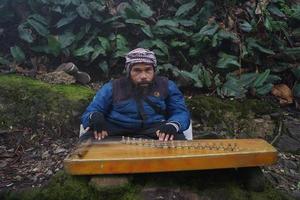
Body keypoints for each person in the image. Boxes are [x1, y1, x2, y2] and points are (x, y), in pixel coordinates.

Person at [80, 48, 191, 142]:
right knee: (88, 141)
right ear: (129, 72)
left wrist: (173, 125)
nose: (143, 76)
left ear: (154, 70)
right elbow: (92, 111)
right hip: (116, 131)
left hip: (155, 131)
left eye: (148, 70)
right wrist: (94, 117)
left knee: (178, 141)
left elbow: (180, 111)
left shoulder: (167, 86)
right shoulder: (113, 87)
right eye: (137, 71)